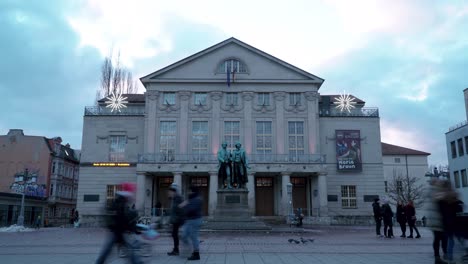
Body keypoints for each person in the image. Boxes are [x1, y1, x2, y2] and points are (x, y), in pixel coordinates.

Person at [95, 182, 143, 264]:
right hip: (117, 230)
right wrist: (132, 228)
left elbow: (122, 218)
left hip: (117, 230)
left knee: (111, 249)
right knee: (118, 248)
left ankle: (100, 262)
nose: (132, 196)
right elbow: (122, 218)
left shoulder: (121, 201)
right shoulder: (121, 202)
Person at [439, 180, 463, 263]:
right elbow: (459, 208)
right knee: (459, 240)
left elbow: (441, 211)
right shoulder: (453, 195)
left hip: (447, 223)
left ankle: (450, 257)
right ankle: (460, 255)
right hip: (455, 222)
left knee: (451, 241)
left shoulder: (441, 198)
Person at [427, 178, 448, 264]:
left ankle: (438, 256)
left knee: (438, 238)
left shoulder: (432, 192)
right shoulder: (437, 192)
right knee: (442, 238)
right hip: (438, 220)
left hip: (434, 220)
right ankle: (442, 255)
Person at [180, 186, 203, 261]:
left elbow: (191, 210)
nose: (188, 192)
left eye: (189, 191)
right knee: (184, 236)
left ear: (193, 191)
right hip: (190, 220)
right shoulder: (192, 199)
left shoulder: (196, 199)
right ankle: (190, 249)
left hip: (195, 220)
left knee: (194, 237)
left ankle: (196, 254)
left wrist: (184, 206)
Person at [167, 183, 185, 256]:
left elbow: (180, 209)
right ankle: (176, 249)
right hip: (175, 220)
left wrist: (177, 219)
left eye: (170, 191)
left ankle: (176, 250)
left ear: (174, 191)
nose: (169, 193)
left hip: (177, 220)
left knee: (175, 235)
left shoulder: (178, 198)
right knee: (174, 235)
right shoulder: (174, 199)